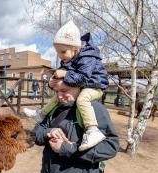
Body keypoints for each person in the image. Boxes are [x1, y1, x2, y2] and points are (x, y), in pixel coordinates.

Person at [23, 20, 109, 151]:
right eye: (58, 53)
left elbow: (82, 77)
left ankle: (92, 130)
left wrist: (65, 73)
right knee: (56, 98)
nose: (60, 56)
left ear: (75, 48)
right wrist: (53, 82)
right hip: (83, 84)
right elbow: (64, 77)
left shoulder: (87, 57)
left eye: (63, 52)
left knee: (82, 99)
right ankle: (41, 114)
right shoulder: (70, 58)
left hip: (95, 86)